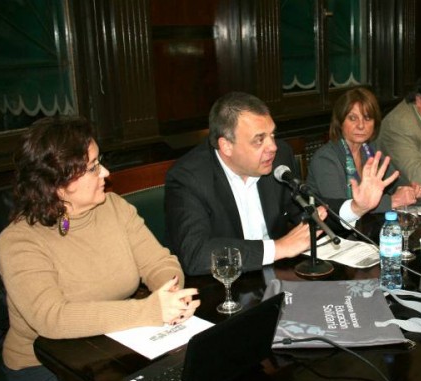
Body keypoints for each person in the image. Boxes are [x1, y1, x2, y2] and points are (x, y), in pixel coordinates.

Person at [0, 117, 200, 381]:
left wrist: (170, 294)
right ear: (57, 183)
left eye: (99, 161)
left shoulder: (114, 207)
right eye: (92, 168)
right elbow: (50, 318)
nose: (105, 172)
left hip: (117, 346)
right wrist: (147, 311)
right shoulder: (19, 241)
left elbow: (159, 262)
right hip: (44, 366)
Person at [165, 91, 397, 276]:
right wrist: (279, 248)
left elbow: (309, 211)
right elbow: (195, 254)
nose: (273, 147)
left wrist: (357, 207)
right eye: (259, 140)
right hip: (221, 291)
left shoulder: (280, 158)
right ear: (226, 146)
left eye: (272, 135)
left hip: (275, 279)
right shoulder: (189, 178)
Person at [307, 87, 421, 214]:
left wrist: (410, 190)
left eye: (367, 118)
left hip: (366, 226)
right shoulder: (325, 159)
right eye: (353, 118)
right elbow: (340, 210)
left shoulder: (370, 149)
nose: (361, 125)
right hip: (329, 231)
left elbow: (397, 182)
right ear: (340, 122)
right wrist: (393, 200)